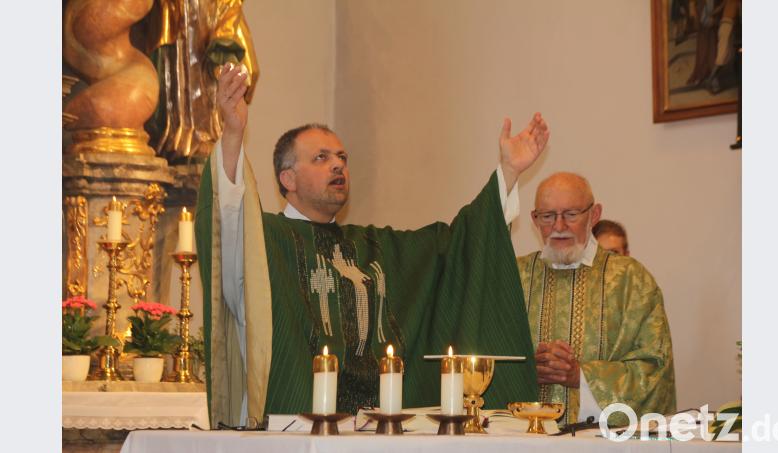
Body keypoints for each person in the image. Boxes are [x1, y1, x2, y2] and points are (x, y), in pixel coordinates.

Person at [195, 63, 550, 426]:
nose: (338, 166)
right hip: (294, 429)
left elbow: (458, 246)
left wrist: (507, 174)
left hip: (375, 430)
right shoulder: (267, 239)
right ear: (288, 178)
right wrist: (234, 135)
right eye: (321, 158)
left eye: (342, 158)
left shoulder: (374, 247)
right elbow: (228, 228)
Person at [516, 173, 675, 425]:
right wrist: (524, 370)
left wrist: (581, 377)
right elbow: (487, 358)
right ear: (534, 219)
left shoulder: (631, 280)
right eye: (547, 216)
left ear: (594, 214)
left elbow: (655, 370)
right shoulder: (515, 277)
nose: (558, 227)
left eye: (571, 214)